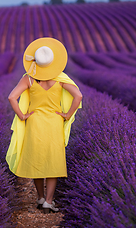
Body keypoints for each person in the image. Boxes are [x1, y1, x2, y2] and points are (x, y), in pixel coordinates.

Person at [6, 37, 83, 214]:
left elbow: (11, 97)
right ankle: (49, 201)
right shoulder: (61, 78)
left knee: (36, 160)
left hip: (34, 123)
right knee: (53, 163)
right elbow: (78, 96)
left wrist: (22, 115)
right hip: (54, 122)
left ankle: (40, 197)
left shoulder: (29, 79)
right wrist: (67, 114)